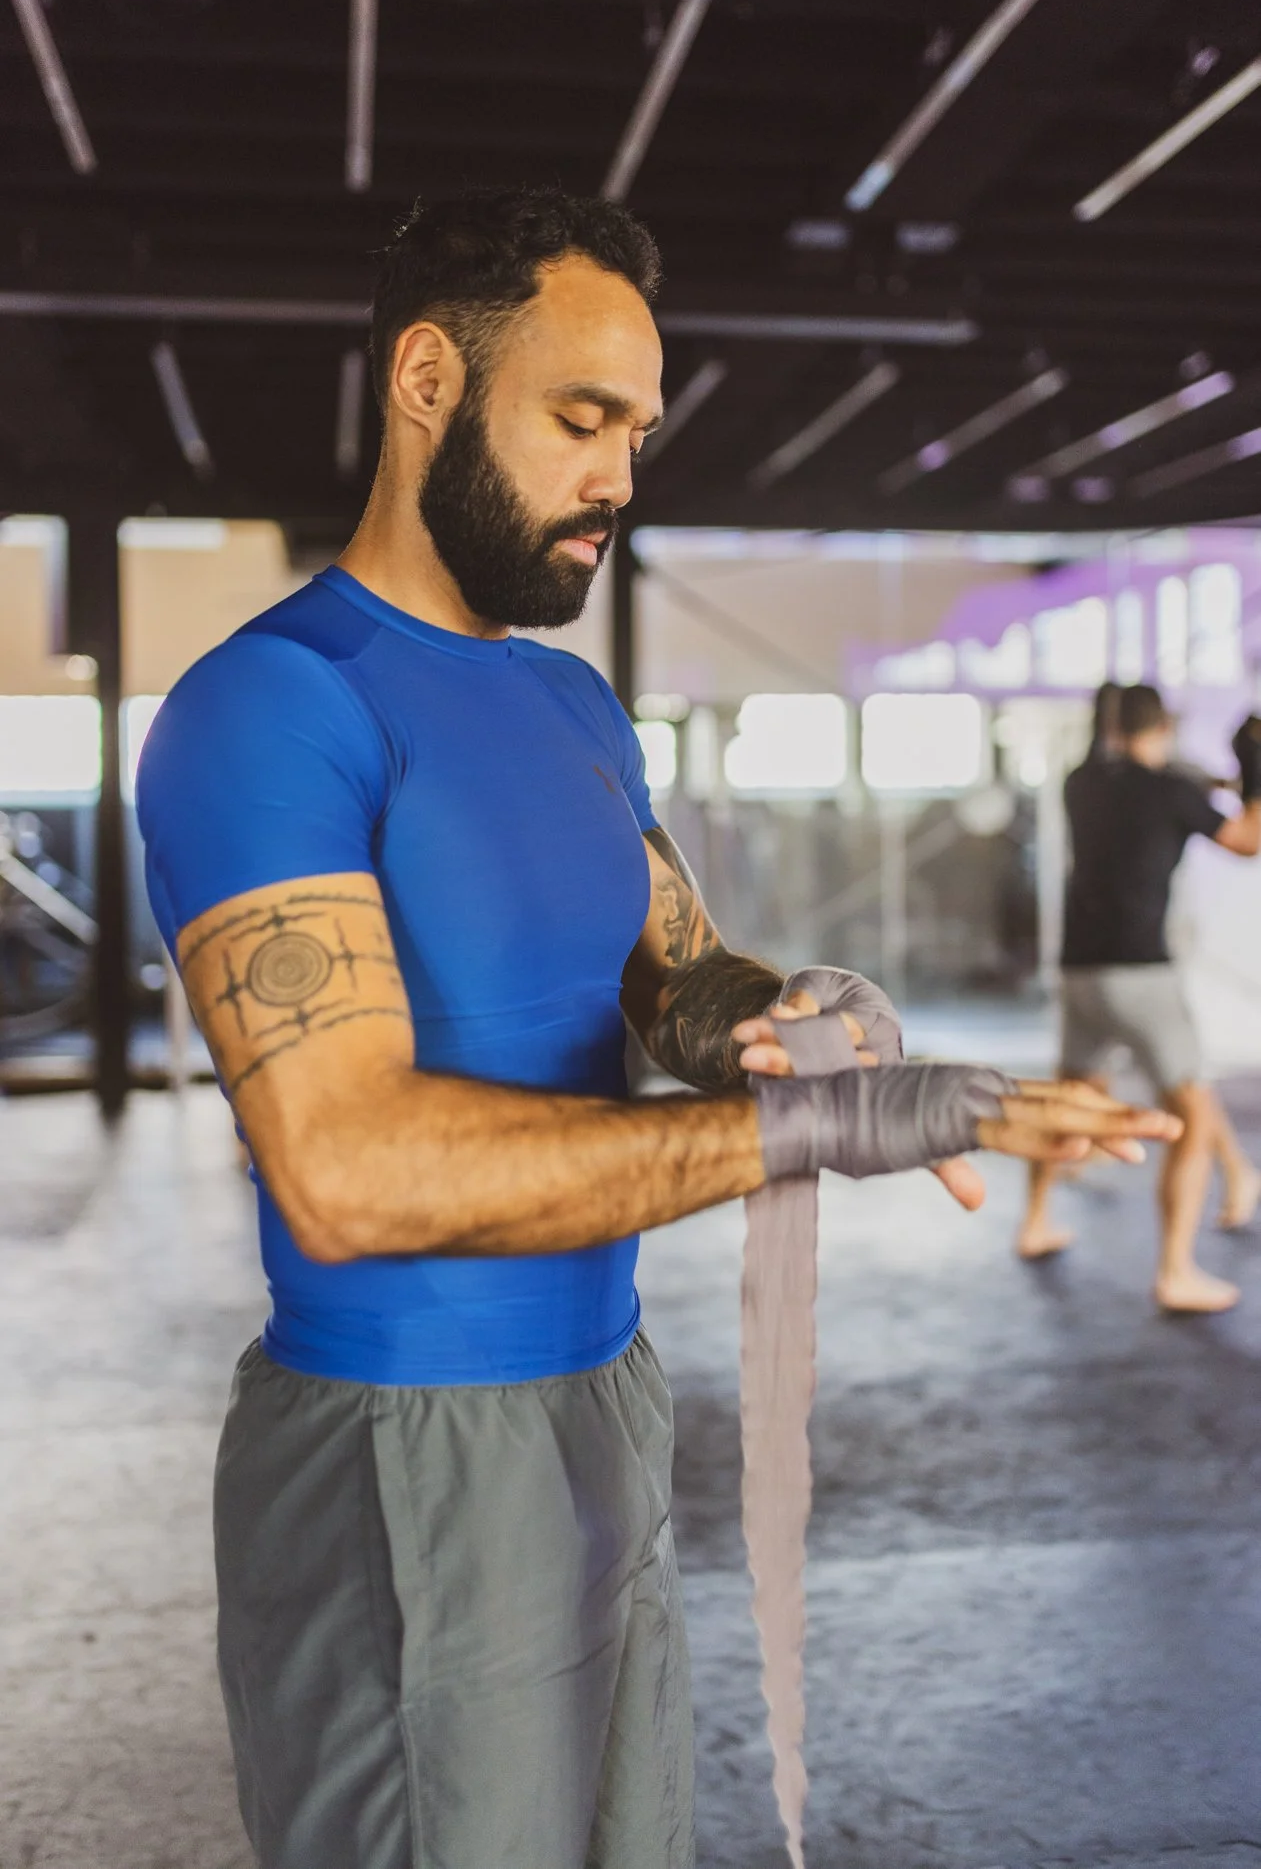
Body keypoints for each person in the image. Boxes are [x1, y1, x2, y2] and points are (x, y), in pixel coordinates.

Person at [136, 188, 1177, 1869]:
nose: (620, 475)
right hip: (403, 1446)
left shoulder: (569, 702)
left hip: (604, 1402)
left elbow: (670, 978)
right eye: (580, 419)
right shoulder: (273, 705)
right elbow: (344, 1169)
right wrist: (805, 1131)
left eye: (639, 428)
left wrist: (800, 1019)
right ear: (425, 381)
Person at [1017, 683, 1261, 1310]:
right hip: (1140, 975)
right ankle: (1176, 1271)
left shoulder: (1082, 783)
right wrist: (1255, 765)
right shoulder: (1170, 791)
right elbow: (1246, 841)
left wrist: (1223, 777)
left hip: (1080, 970)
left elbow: (1165, 786)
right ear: (1164, 725)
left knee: (1069, 1098)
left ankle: (1035, 1221)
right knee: (1193, 1116)